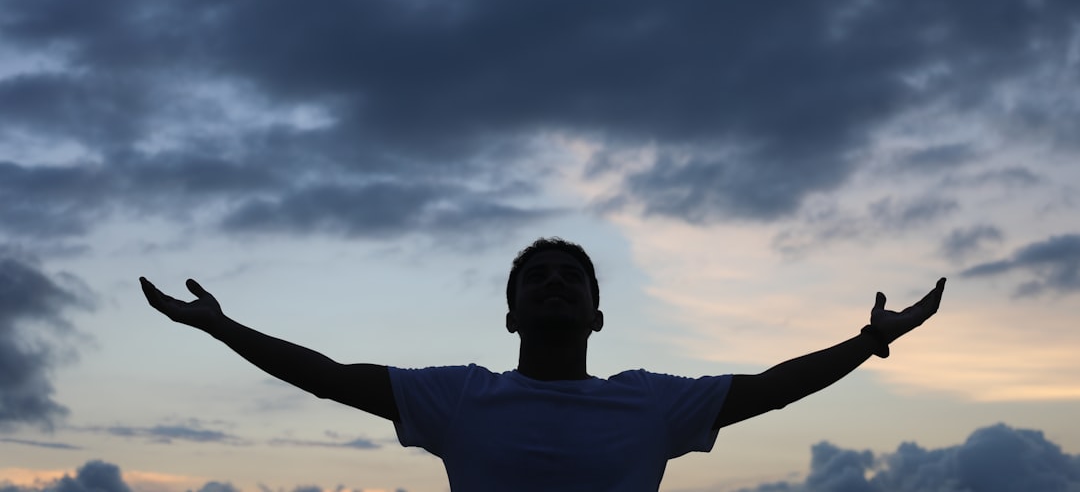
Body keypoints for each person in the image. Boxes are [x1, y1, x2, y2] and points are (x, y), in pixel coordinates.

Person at [140, 237, 946, 491]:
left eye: (572, 278)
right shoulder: (458, 397)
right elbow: (326, 373)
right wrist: (220, 327)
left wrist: (873, 340)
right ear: (510, 313)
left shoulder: (650, 405)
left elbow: (771, 390)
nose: (555, 283)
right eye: (538, 277)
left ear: (597, 314)